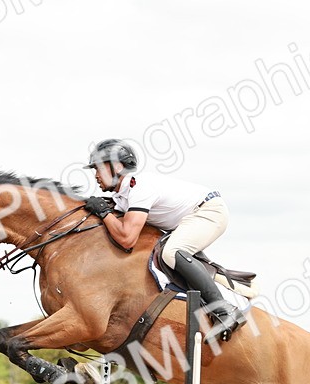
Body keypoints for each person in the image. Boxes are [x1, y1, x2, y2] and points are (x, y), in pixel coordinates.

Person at [81, 138, 248, 340]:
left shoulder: (139, 187)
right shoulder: (122, 195)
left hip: (209, 211)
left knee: (172, 253)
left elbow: (127, 238)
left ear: (117, 166)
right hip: (189, 217)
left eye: (98, 168)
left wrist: (103, 213)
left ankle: (224, 310)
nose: (96, 175)